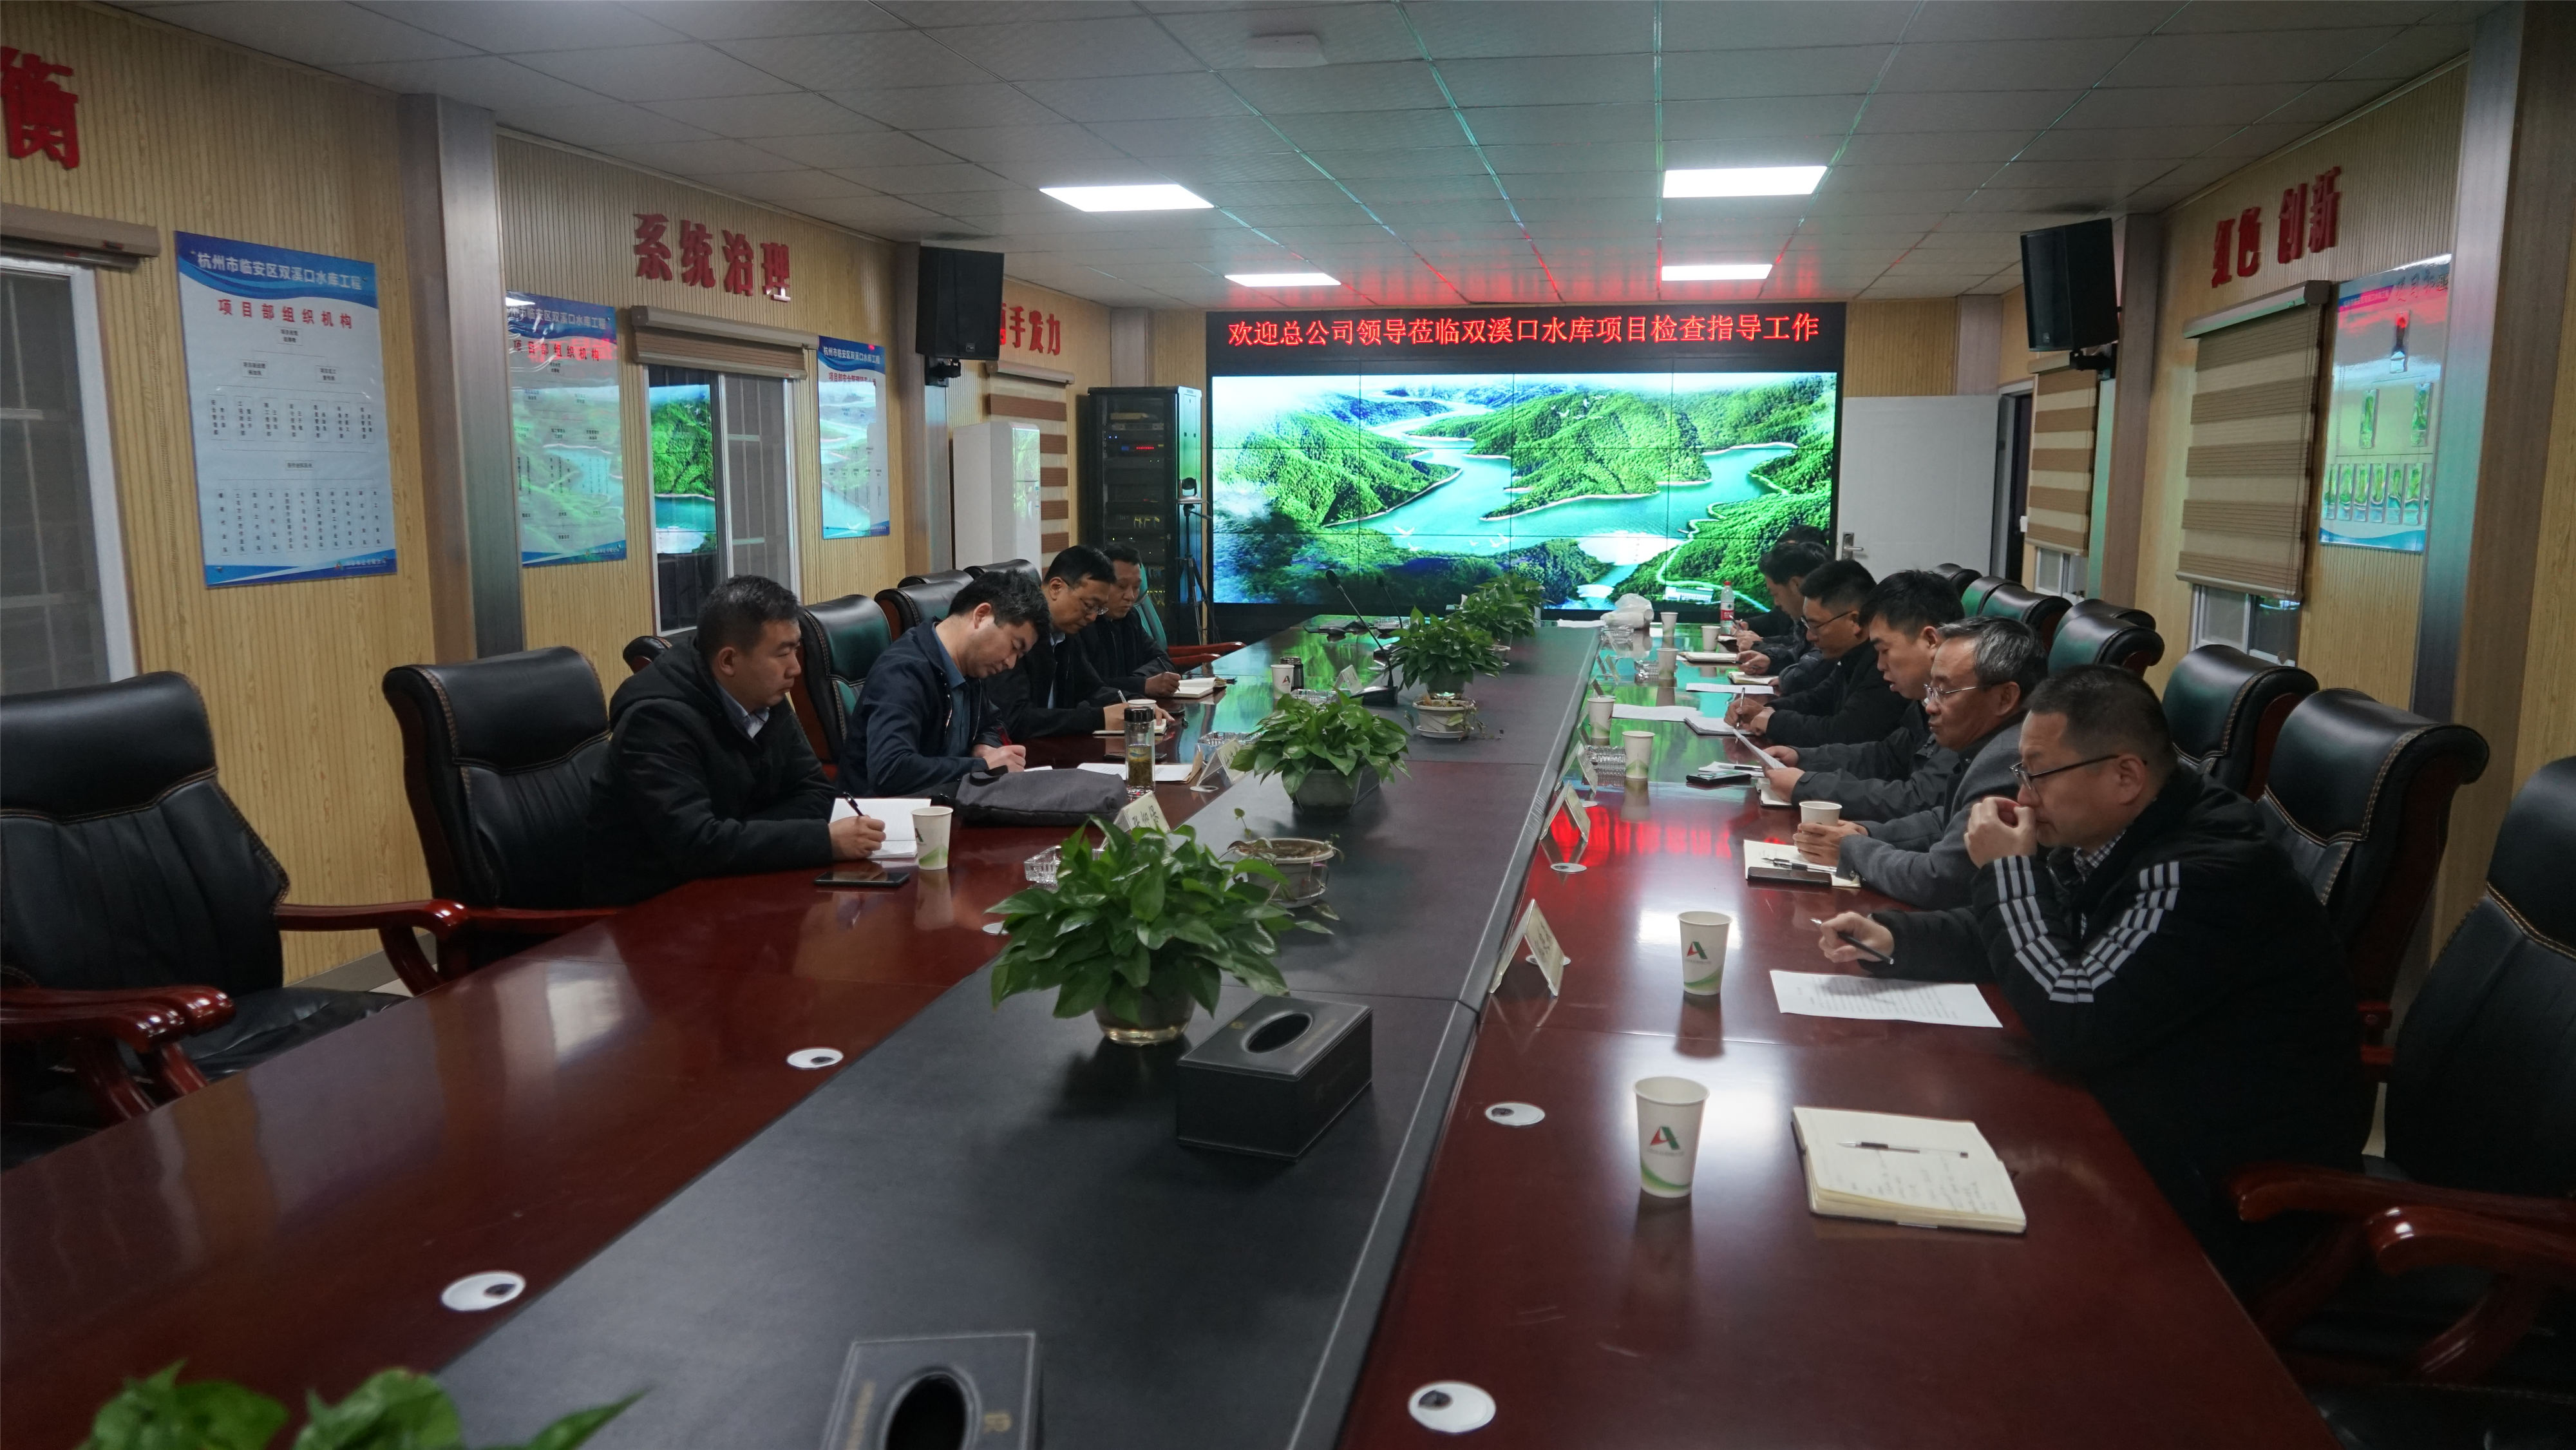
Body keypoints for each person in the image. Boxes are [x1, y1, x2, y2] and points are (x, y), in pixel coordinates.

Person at [1814, 666, 2360, 1289]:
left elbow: (2074, 1015)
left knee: (1939, 1274)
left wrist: (2007, 873)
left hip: (2224, 1194)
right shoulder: (2117, 831)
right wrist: (1899, 939)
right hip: (2127, 1117)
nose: (2024, 799)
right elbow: (2048, 931)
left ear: (2125, 775)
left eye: (2039, 775)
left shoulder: (2202, 870)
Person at [584, 575, 887, 906]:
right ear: (728, 661)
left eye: (796, 649)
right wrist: (822, 841)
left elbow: (815, 793)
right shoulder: (655, 721)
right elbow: (696, 846)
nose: (795, 668)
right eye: (782, 653)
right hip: (654, 908)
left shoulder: (761, 692)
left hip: (736, 884)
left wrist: (734, 836)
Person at [1794, 616, 2043, 908]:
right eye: (1931, 690)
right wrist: (1867, 832)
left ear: (2005, 698)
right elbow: (1946, 820)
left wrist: (1852, 850)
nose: (1931, 706)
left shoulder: (2007, 759)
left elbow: (1938, 880)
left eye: (1944, 691)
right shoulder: (1987, 741)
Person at [1761, 569, 1962, 821]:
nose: (1880, 665)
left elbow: (1918, 799)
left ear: (1931, 640)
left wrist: (1808, 786)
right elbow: (1887, 756)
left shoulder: (1966, 701)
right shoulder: (1928, 697)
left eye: (1885, 650)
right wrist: (1802, 758)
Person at [842, 572, 1040, 796]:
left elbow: (992, 721)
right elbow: (891, 770)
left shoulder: (970, 667)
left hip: (946, 802)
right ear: (981, 615)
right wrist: (982, 766)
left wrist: (985, 745)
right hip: (885, 813)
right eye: (1014, 646)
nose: (1011, 663)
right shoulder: (903, 673)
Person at [989, 546, 1173, 739]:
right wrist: (1098, 719)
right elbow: (1015, 720)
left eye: (1099, 609)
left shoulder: (1065, 633)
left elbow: (1092, 688)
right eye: (1088, 606)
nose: (1092, 617)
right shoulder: (1017, 637)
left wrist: (1135, 703)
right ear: (1056, 588)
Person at [1731, 558, 1907, 747]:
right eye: (1807, 626)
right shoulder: (1850, 655)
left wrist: (1775, 722)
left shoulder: (1883, 665)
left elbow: (1846, 733)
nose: (1810, 636)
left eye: (1816, 626)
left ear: (1855, 621)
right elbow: (1819, 698)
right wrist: (1768, 709)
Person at [1077, 542, 1181, 698]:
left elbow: (1162, 660)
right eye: (1121, 586)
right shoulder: (1083, 624)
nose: (1131, 596)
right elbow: (1090, 687)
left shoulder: (1130, 617)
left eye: (1136, 587)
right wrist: (1141, 685)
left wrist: (1139, 681)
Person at [1732, 540, 1831, 680]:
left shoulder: (1832, 623)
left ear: (1795, 585)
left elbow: (1808, 673)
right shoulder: (1805, 620)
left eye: (1775, 594)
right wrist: (1771, 661)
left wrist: (1759, 645)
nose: (1776, 603)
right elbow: (1797, 654)